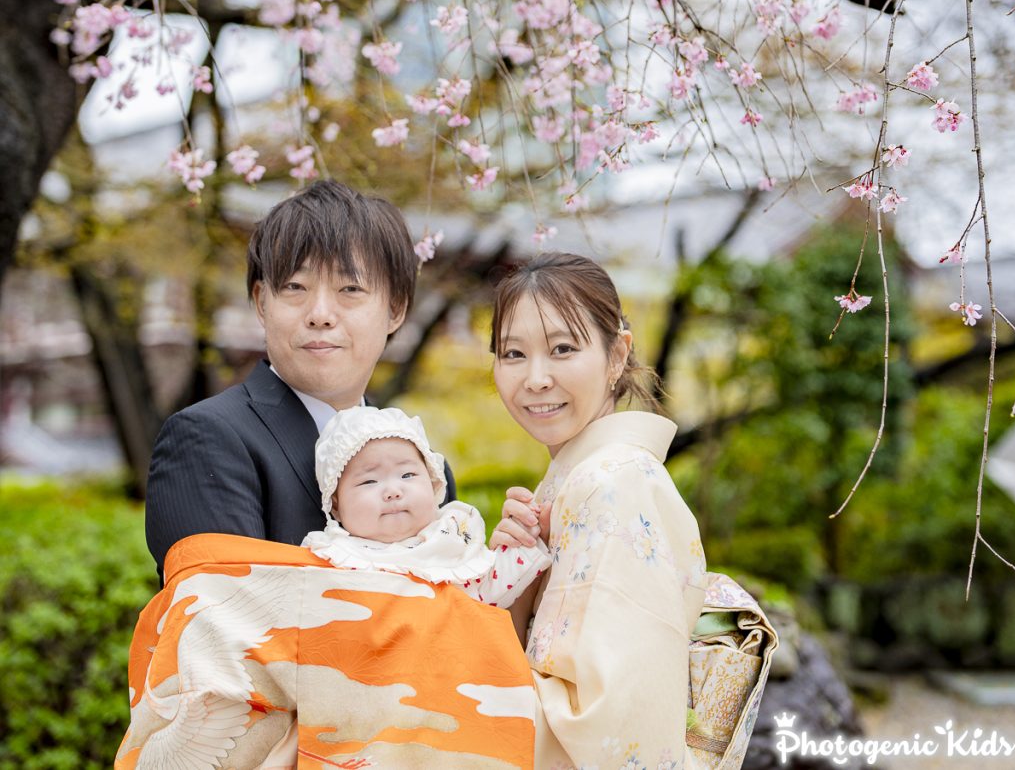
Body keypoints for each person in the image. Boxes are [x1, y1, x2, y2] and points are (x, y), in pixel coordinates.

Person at [145, 180, 455, 582]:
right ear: (261, 302)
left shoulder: (424, 468)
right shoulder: (208, 440)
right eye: (295, 287)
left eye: (350, 288)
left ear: (395, 309)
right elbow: (227, 624)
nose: (321, 313)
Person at [489, 252, 709, 770]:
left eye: (562, 348)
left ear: (616, 355)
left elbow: (614, 721)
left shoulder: (613, 482)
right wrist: (515, 578)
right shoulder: (571, 482)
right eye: (512, 354)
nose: (536, 378)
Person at [302, 405, 550, 607]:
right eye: (369, 481)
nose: (393, 491)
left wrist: (523, 538)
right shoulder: (330, 556)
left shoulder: (448, 540)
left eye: (407, 475)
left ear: (433, 484)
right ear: (335, 505)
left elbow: (486, 593)